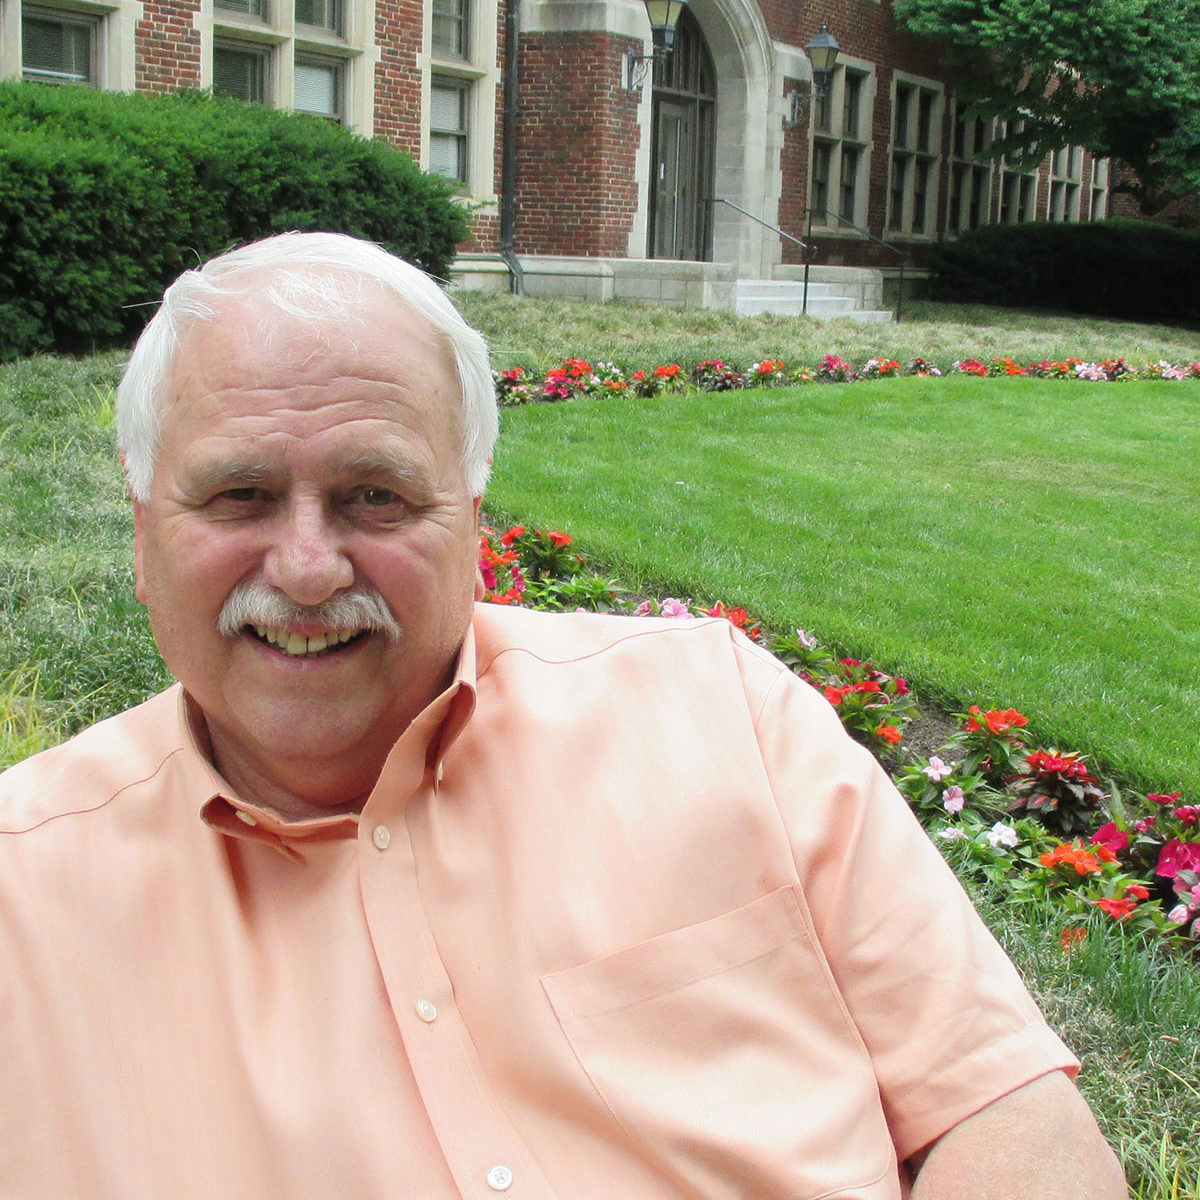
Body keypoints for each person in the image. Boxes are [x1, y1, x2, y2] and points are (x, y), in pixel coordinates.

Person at [0, 231, 1126, 1200]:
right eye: (239, 493)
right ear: (143, 529)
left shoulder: (718, 711)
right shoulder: (23, 905)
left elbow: (1005, 1112)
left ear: (473, 520)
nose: (303, 567)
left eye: (375, 496)